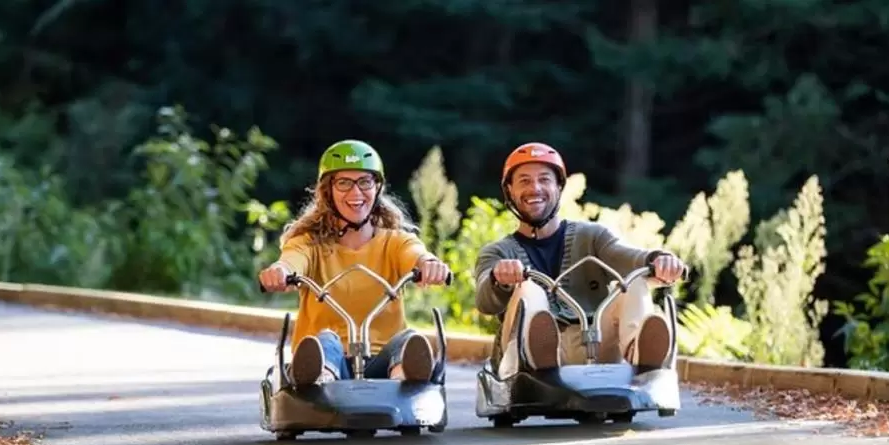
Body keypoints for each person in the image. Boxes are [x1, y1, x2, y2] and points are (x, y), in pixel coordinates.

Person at [474, 142, 688, 378]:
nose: (534, 188)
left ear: (558, 187)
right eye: (524, 181)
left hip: (595, 343)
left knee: (632, 283)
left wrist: (658, 260)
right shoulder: (497, 252)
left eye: (544, 180)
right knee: (528, 288)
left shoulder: (592, 236)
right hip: (526, 354)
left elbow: (627, 257)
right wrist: (498, 278)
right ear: (510, 192)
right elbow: (485, 301)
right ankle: (540, 359)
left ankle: (644, 359)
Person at [258, 139, 450, 386]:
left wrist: (428, 264)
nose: (356, 193)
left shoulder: (395, 241)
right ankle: (319, 380)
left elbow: (415, 253)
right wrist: (280, 271)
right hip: (332, 357)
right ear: (328, 191)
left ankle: (405, 383)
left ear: (377, 187)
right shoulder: (309, 243)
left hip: (383, 362)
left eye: (364, 182)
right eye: (344, 183)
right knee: (326, 339)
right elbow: (293, 259)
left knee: (407, 339)